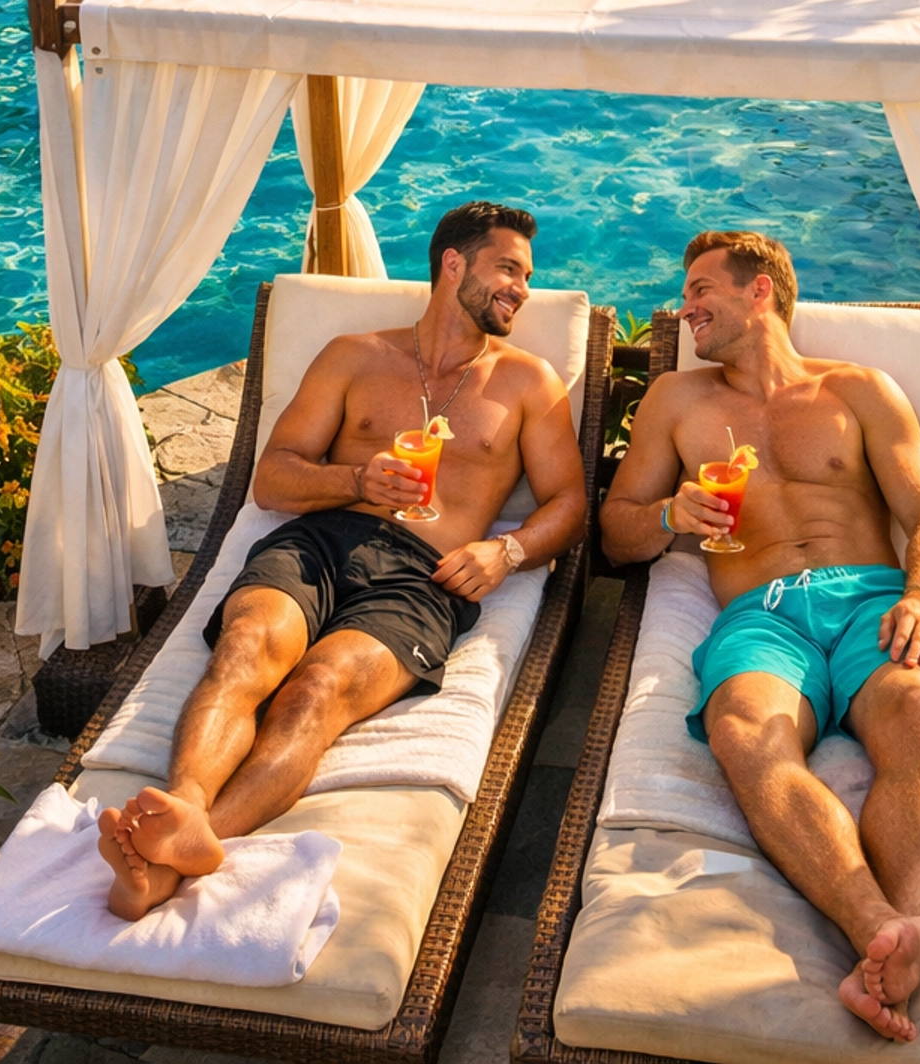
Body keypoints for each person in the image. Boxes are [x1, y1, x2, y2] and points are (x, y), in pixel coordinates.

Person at [98, 200, 587, 919]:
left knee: (317, 688)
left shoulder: (526, 383)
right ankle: (186, 806)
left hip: (426, 577)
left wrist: (505, 550)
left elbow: (570, 504)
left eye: (527, 276)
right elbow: (272, 478)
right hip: (319, 541)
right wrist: (356, 480)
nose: (521, 288)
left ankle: (191, 845)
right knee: (245, 649)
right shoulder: (355, 356)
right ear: (453, 264)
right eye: (508, 269)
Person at [602, 230, 920, 1046]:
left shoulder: (860, 389)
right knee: (744, 729)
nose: (685, 306)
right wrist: (669, 516)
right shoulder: (676, 400)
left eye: (702, 288)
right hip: (762, 615)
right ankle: (885, 931)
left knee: (918, 710)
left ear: (760, 291)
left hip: (872, 596)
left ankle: (891, 947)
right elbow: (615, 533)